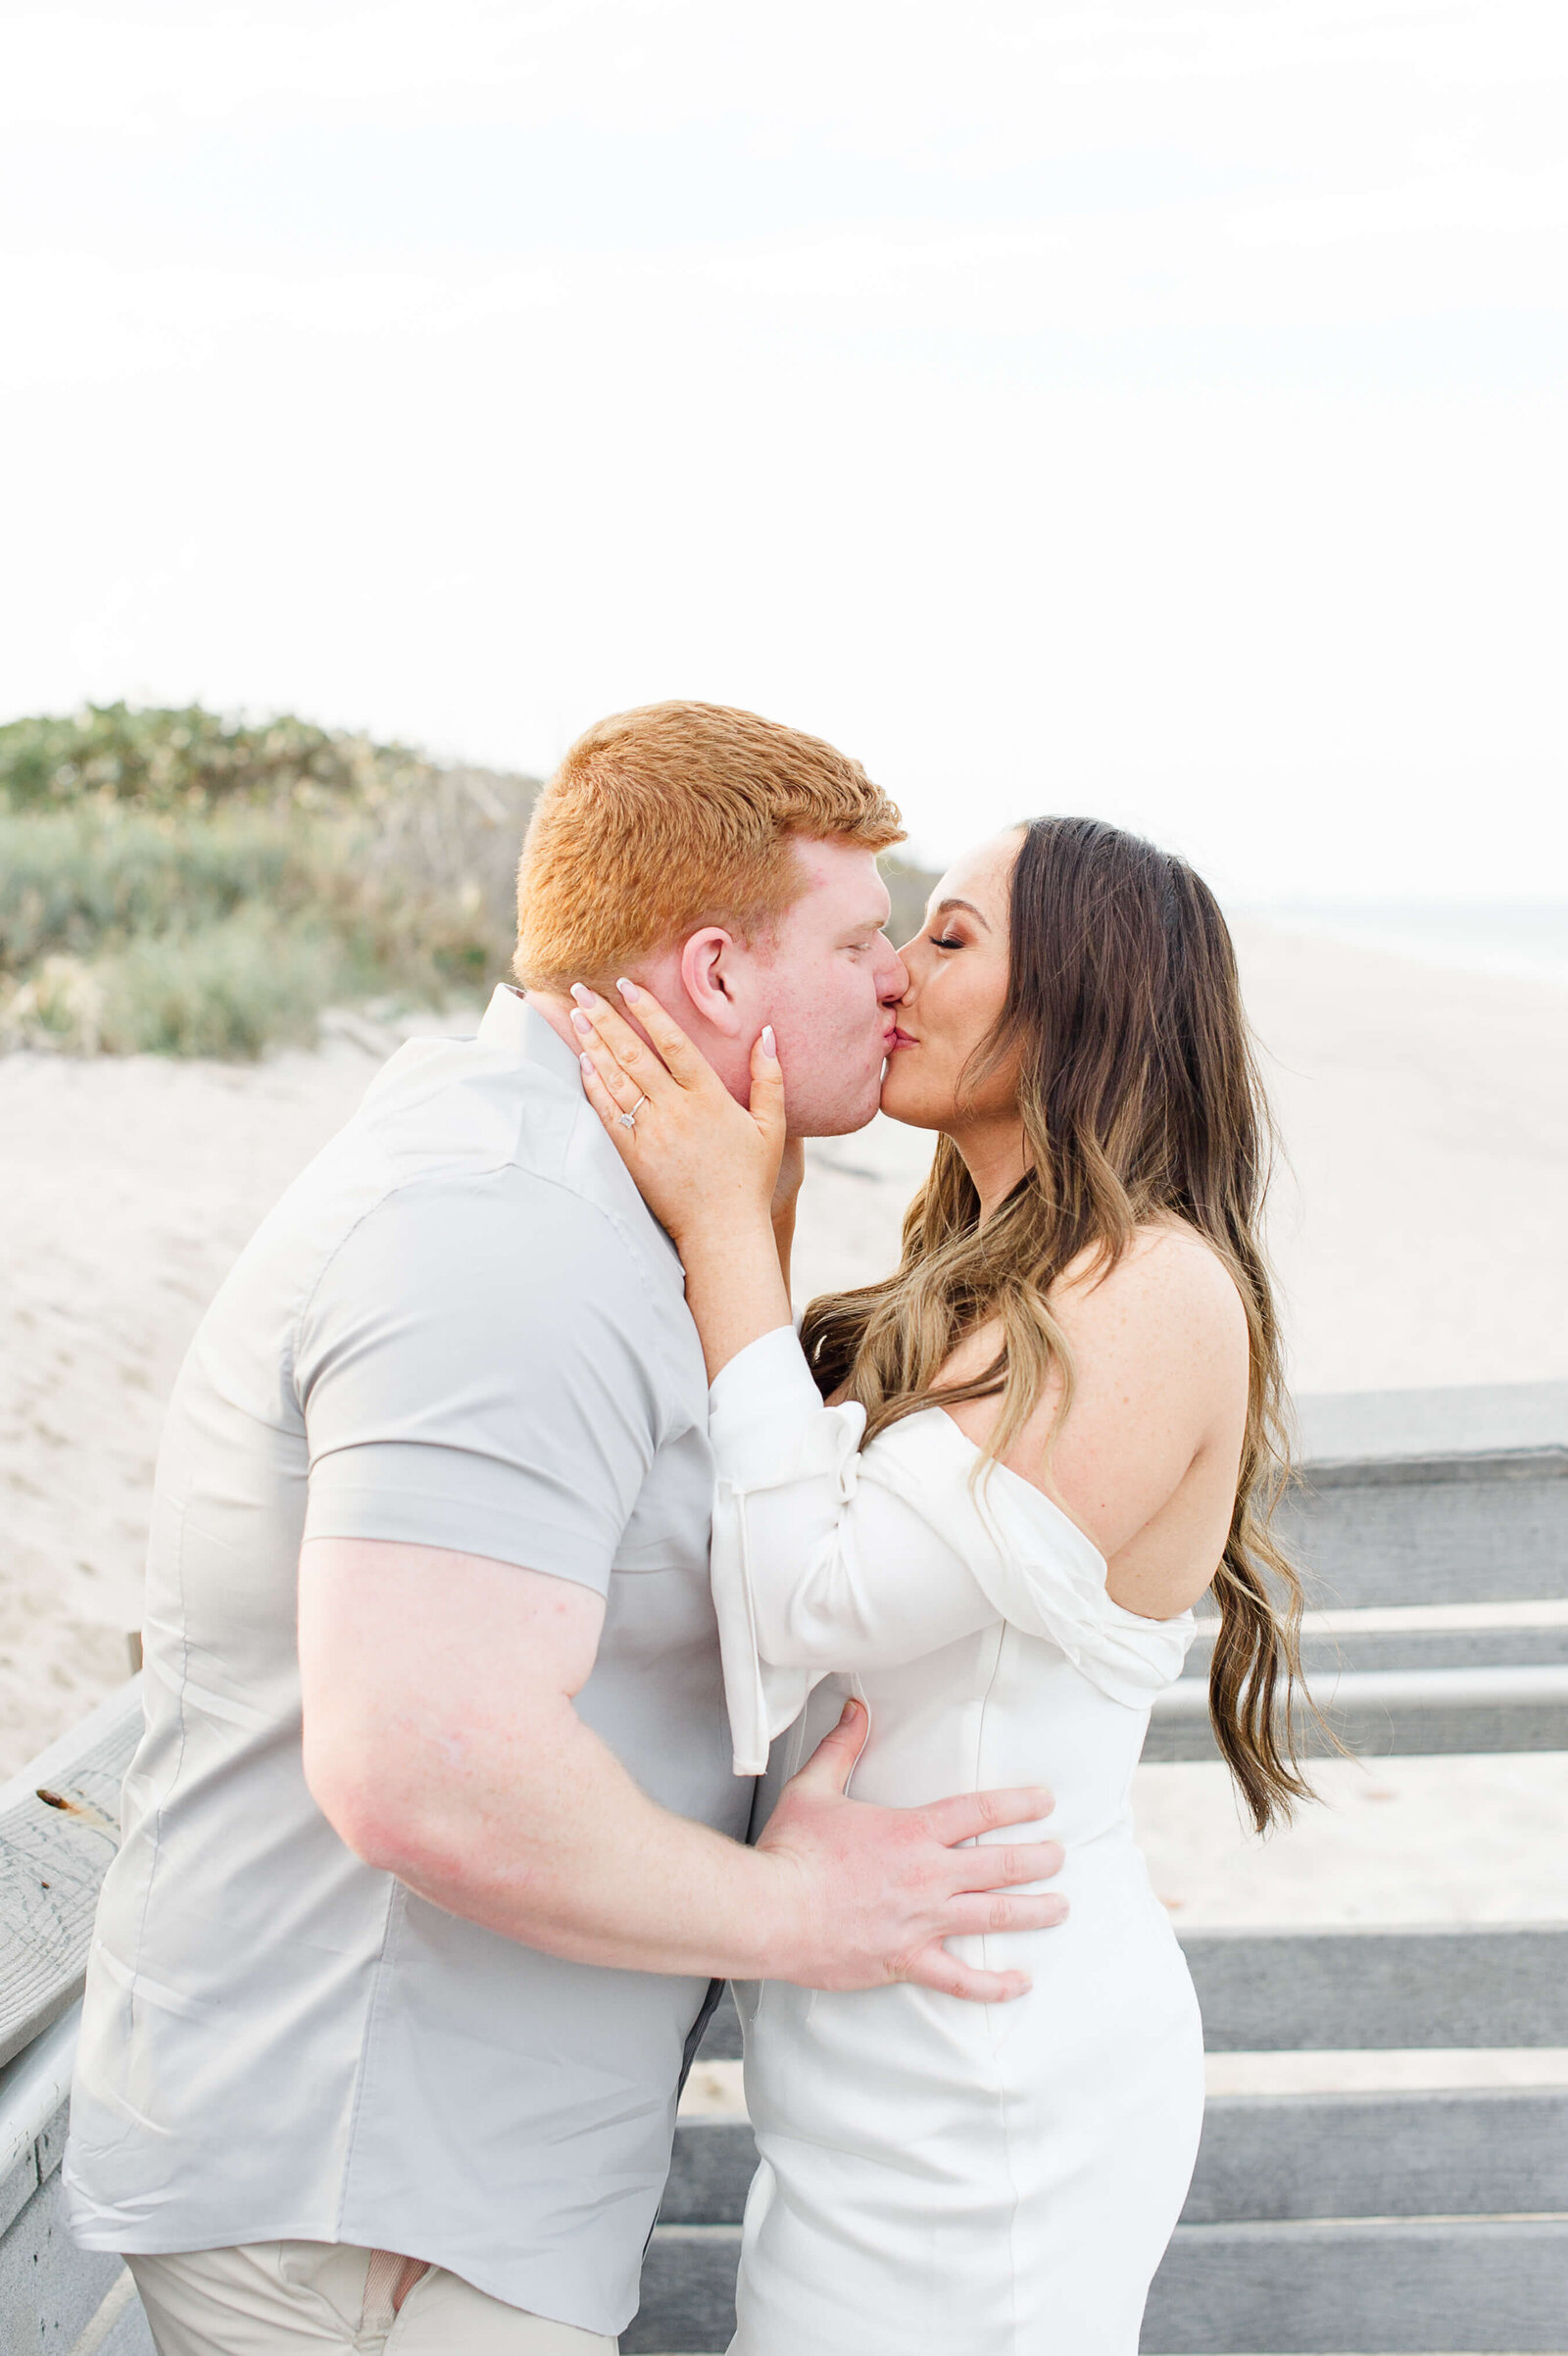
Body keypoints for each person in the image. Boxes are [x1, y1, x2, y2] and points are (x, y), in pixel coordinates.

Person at [63, 705, 1069, 2356]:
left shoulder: (586, 1192)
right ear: (719, 977)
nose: (895, 975)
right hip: (374, 2203)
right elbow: (424, 1765)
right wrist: (804, 1917)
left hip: (437, 2179)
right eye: (856, 935)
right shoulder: (505, 1236)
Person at [573, 812, 1313, 2356]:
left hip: (994, 2085)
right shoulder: (996, 1286)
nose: (894, 973)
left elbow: (813, 1604)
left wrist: (729, 1222)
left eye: (951, 938)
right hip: (875, 2050)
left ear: (1085, 999)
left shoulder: (1157, 1289)